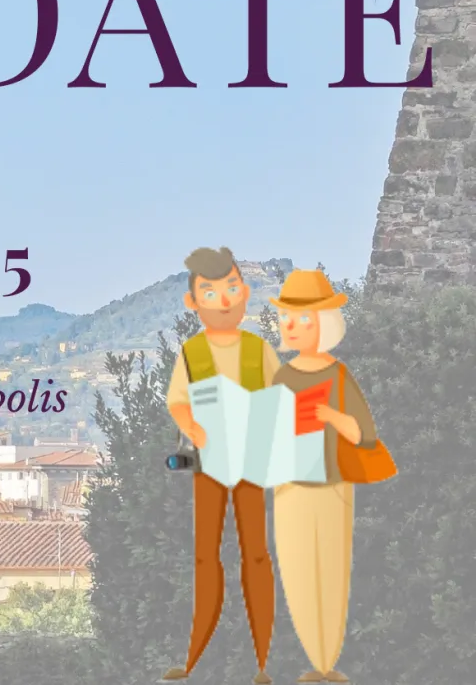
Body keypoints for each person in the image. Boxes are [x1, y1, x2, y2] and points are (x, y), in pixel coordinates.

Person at [160, 247, 279, 685]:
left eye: (231, 288)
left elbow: (277, 401)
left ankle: (262, 662)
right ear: (193, 302)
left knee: (256, 556)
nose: (224, 300)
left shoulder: (259, 350)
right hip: (209, 464)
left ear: (244, 293)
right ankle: (196, 658)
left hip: (250, 464)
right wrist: (194, 427)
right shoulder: (191, 353)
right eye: (210, 292)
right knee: (206, 557)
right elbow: (177, 401)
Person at [269, 270, 377, 683]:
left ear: (325, 323)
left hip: (331, 485)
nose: (293, 326)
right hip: (290, 486)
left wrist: (330, 414)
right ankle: (315, 661)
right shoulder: (283, 376)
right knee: (296, 571)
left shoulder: (337, 374)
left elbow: (362, 434)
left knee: (330, 568)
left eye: (304, 318)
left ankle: (328, 663)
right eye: (287, 318)